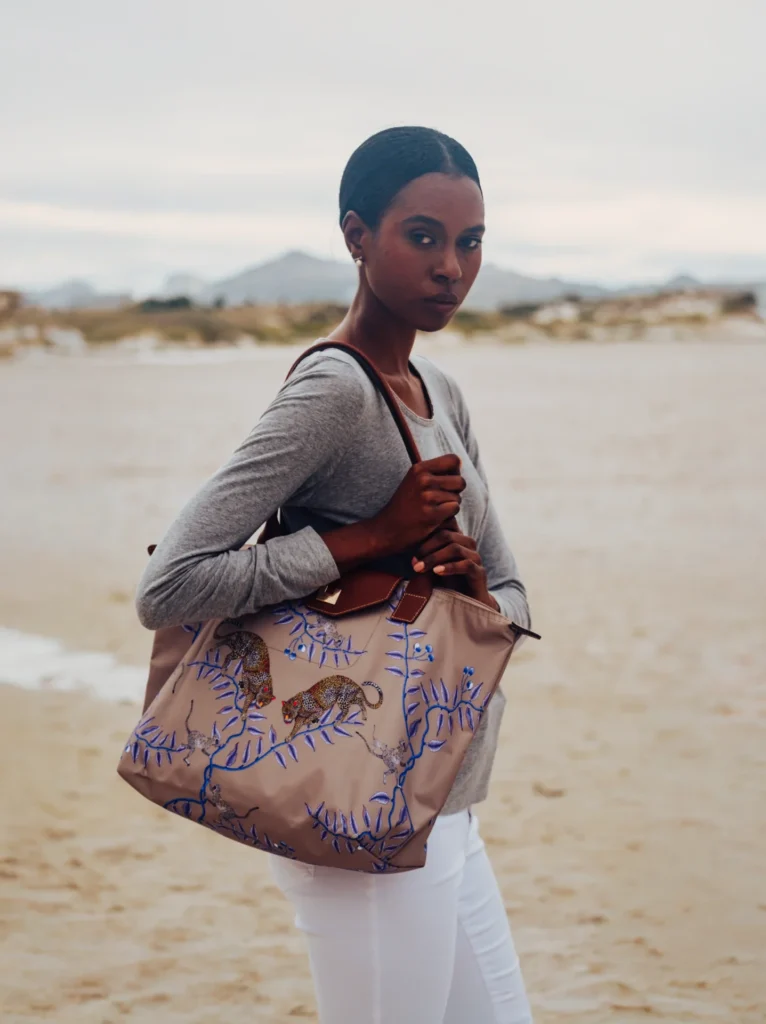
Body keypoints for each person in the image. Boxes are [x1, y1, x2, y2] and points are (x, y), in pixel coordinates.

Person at [136, 126, 534, 1024]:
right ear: (357, 236)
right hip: (351, 795)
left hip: (442, 794)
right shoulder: (334, 392)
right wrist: (367, 539)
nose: (452, 268)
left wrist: (472, 587)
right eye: (423, 237)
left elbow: (513, 597)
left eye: (470, 242)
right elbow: (171, 585)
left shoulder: (440, 392)